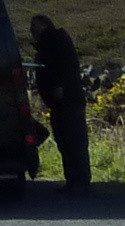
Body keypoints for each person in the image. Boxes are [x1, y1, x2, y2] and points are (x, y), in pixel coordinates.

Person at [30, 14, 88, 192]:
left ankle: (81, 181)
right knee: (65, 141)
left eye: (34, 26)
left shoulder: (56, 42)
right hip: (59, 104)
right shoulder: (49, 44)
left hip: (67, 101)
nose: (31, 31)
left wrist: (60, 87)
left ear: (44, 25)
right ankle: (74, 180)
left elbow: (65, 67)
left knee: (73, 141)